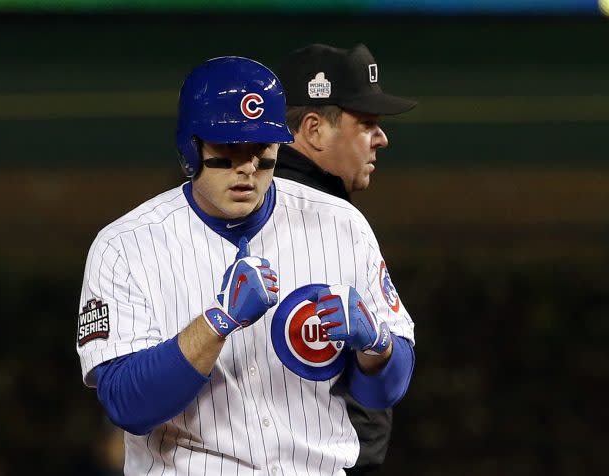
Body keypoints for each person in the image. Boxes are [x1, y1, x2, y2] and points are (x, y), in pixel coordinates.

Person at [76, 55, 415, 476]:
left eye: (261, 150)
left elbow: (387, 388)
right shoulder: (126, 246)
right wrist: (218, 322)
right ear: (191, 147)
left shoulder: (341, 225)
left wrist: (377, 346)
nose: (247, 168)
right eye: (229, 149)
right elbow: (127, 403)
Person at [274, 44, 417, 475]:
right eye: (367, 123)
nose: (381, 138)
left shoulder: (324, 214)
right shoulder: (326, 221)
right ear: (315, 130)